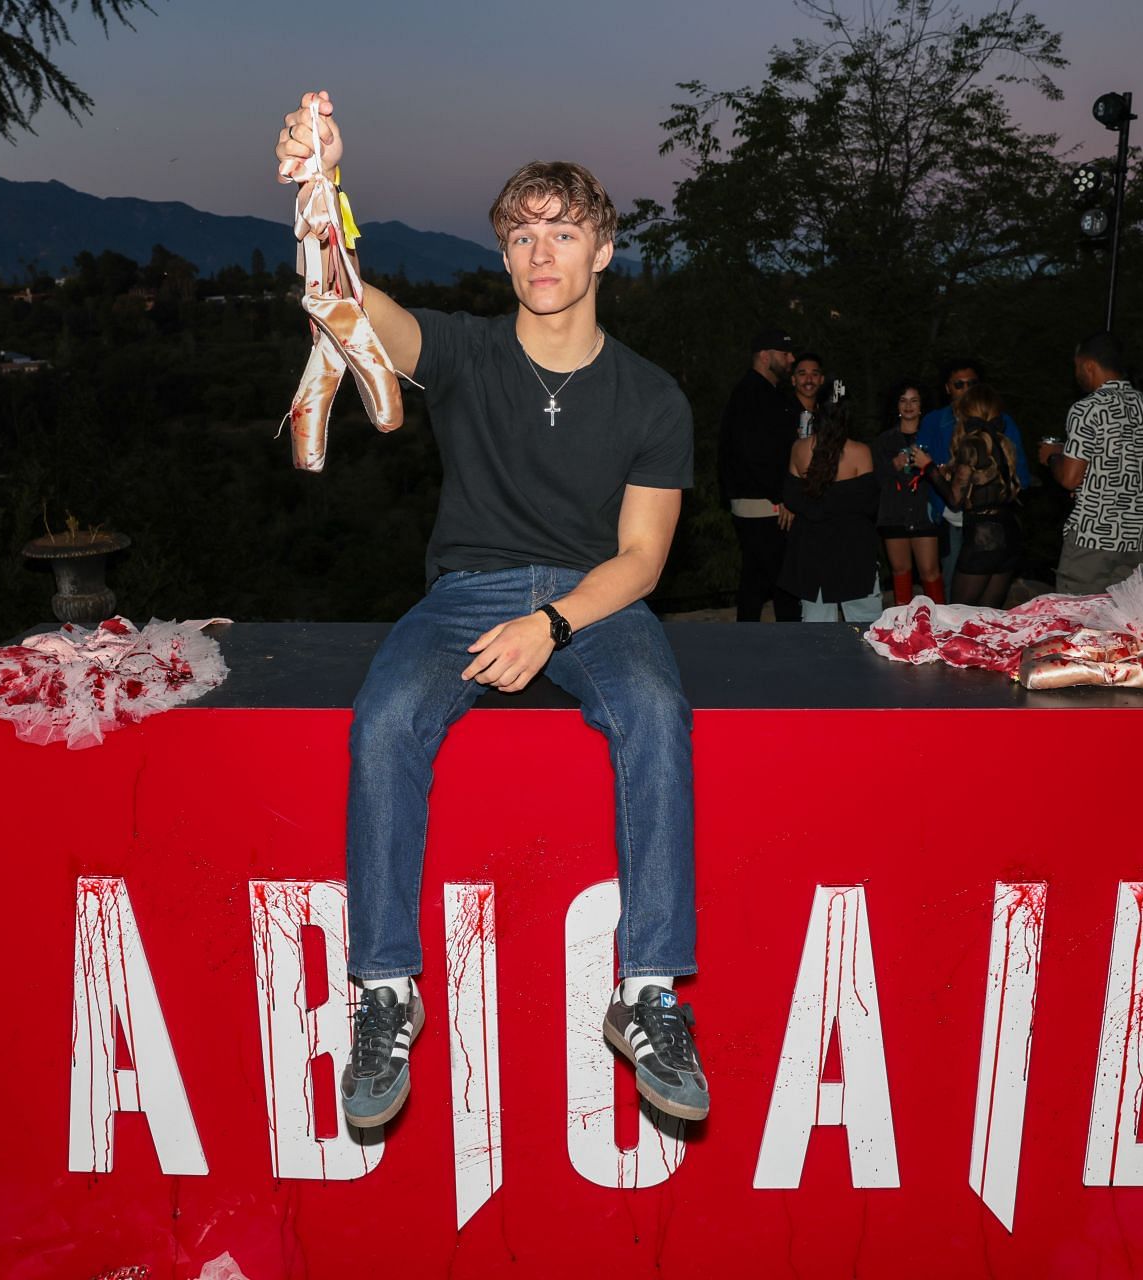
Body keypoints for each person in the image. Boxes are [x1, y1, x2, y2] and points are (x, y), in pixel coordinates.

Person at [275, 92, 710, 1129]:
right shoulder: (467, 353)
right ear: (506, 254)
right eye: (522, 234)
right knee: (383, 719)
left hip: (593, 600)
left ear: (603, 251)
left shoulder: (653, 397)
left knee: (654, 709)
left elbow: (644, 559)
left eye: (564, 231)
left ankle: (648, 990)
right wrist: (319, 189)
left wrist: (553, 623)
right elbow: (349, 307)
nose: (540, 251)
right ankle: (385, 991)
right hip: (462, 592)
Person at [1037, 332, 1143, 595]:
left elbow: (1070, 478)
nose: (1076, 374)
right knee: (1118, 619)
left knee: (1077, 621)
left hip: (1092, 539)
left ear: (1089, 365)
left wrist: (1054, 456)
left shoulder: (1086, 410)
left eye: (1077, 367)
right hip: (1135, 538)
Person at [718, 328, 802, 622]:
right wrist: (784, 497)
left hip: (763, 502)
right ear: (765, 357)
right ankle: (784, 643)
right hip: (764, 505)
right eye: (785, 353)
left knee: (758, 579)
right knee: (782, 581)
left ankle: (751, 642)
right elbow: (756, 455)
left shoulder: (766, 393)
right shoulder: (752, 395)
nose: (791, 358)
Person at [779, 384, 883, 620]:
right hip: (853, 553)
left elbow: (792, 498)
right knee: (865, 628)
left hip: (811, 550)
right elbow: (869, 505)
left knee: (817, 633)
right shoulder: (861, 452)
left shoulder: (799, 449)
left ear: (817, 410)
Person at [918, 358, 1033, 571]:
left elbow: (1020, 475)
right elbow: (919, 460)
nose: (966, 389)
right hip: (950, 519)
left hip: (992, 523)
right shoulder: (934, 421)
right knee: (956, 587)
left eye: (972, 384)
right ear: (947, 388)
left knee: (974, 599)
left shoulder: (1002, 423)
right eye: (959, 384)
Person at [936, 384, 1022, 607]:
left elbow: (955, 499)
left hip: (982, 537)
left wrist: (928, 470)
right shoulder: (1003, 442)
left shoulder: (972, 444)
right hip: (1009, 534)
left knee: (958, 616)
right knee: (989, 618)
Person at [870, 379, 943, 604]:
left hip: (924, 514)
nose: (908, 405)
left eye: (914, 400)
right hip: (894, 513)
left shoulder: (933, 436)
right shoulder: (884, 441)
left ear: (922, 406)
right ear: (896, 405)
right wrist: (893, 465)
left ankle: (941, 626)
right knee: (900, 571)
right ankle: (903, 628)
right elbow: (874, 481)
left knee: (929, 571)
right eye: (903, 400)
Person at [789, 352, 825, 439]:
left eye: (814, 374)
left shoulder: (827, 414)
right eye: (802, 374)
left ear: (822, 380)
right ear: (793, 380)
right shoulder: (783, 412)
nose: (809, 379)